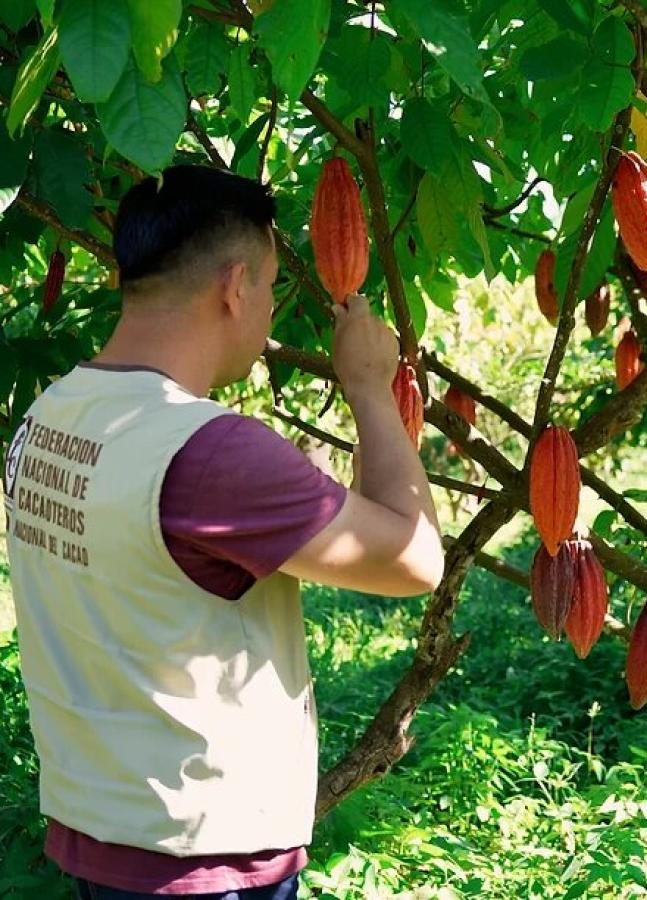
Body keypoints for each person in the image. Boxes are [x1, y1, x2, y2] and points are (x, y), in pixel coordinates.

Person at [2, 165, 444, 899]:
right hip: (202, 862)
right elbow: (414, 558)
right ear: (235, 286)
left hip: (100, 833)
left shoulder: (49, 414)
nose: (269, 310)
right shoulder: (208, 453)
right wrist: (370, 385)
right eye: (271, 287)